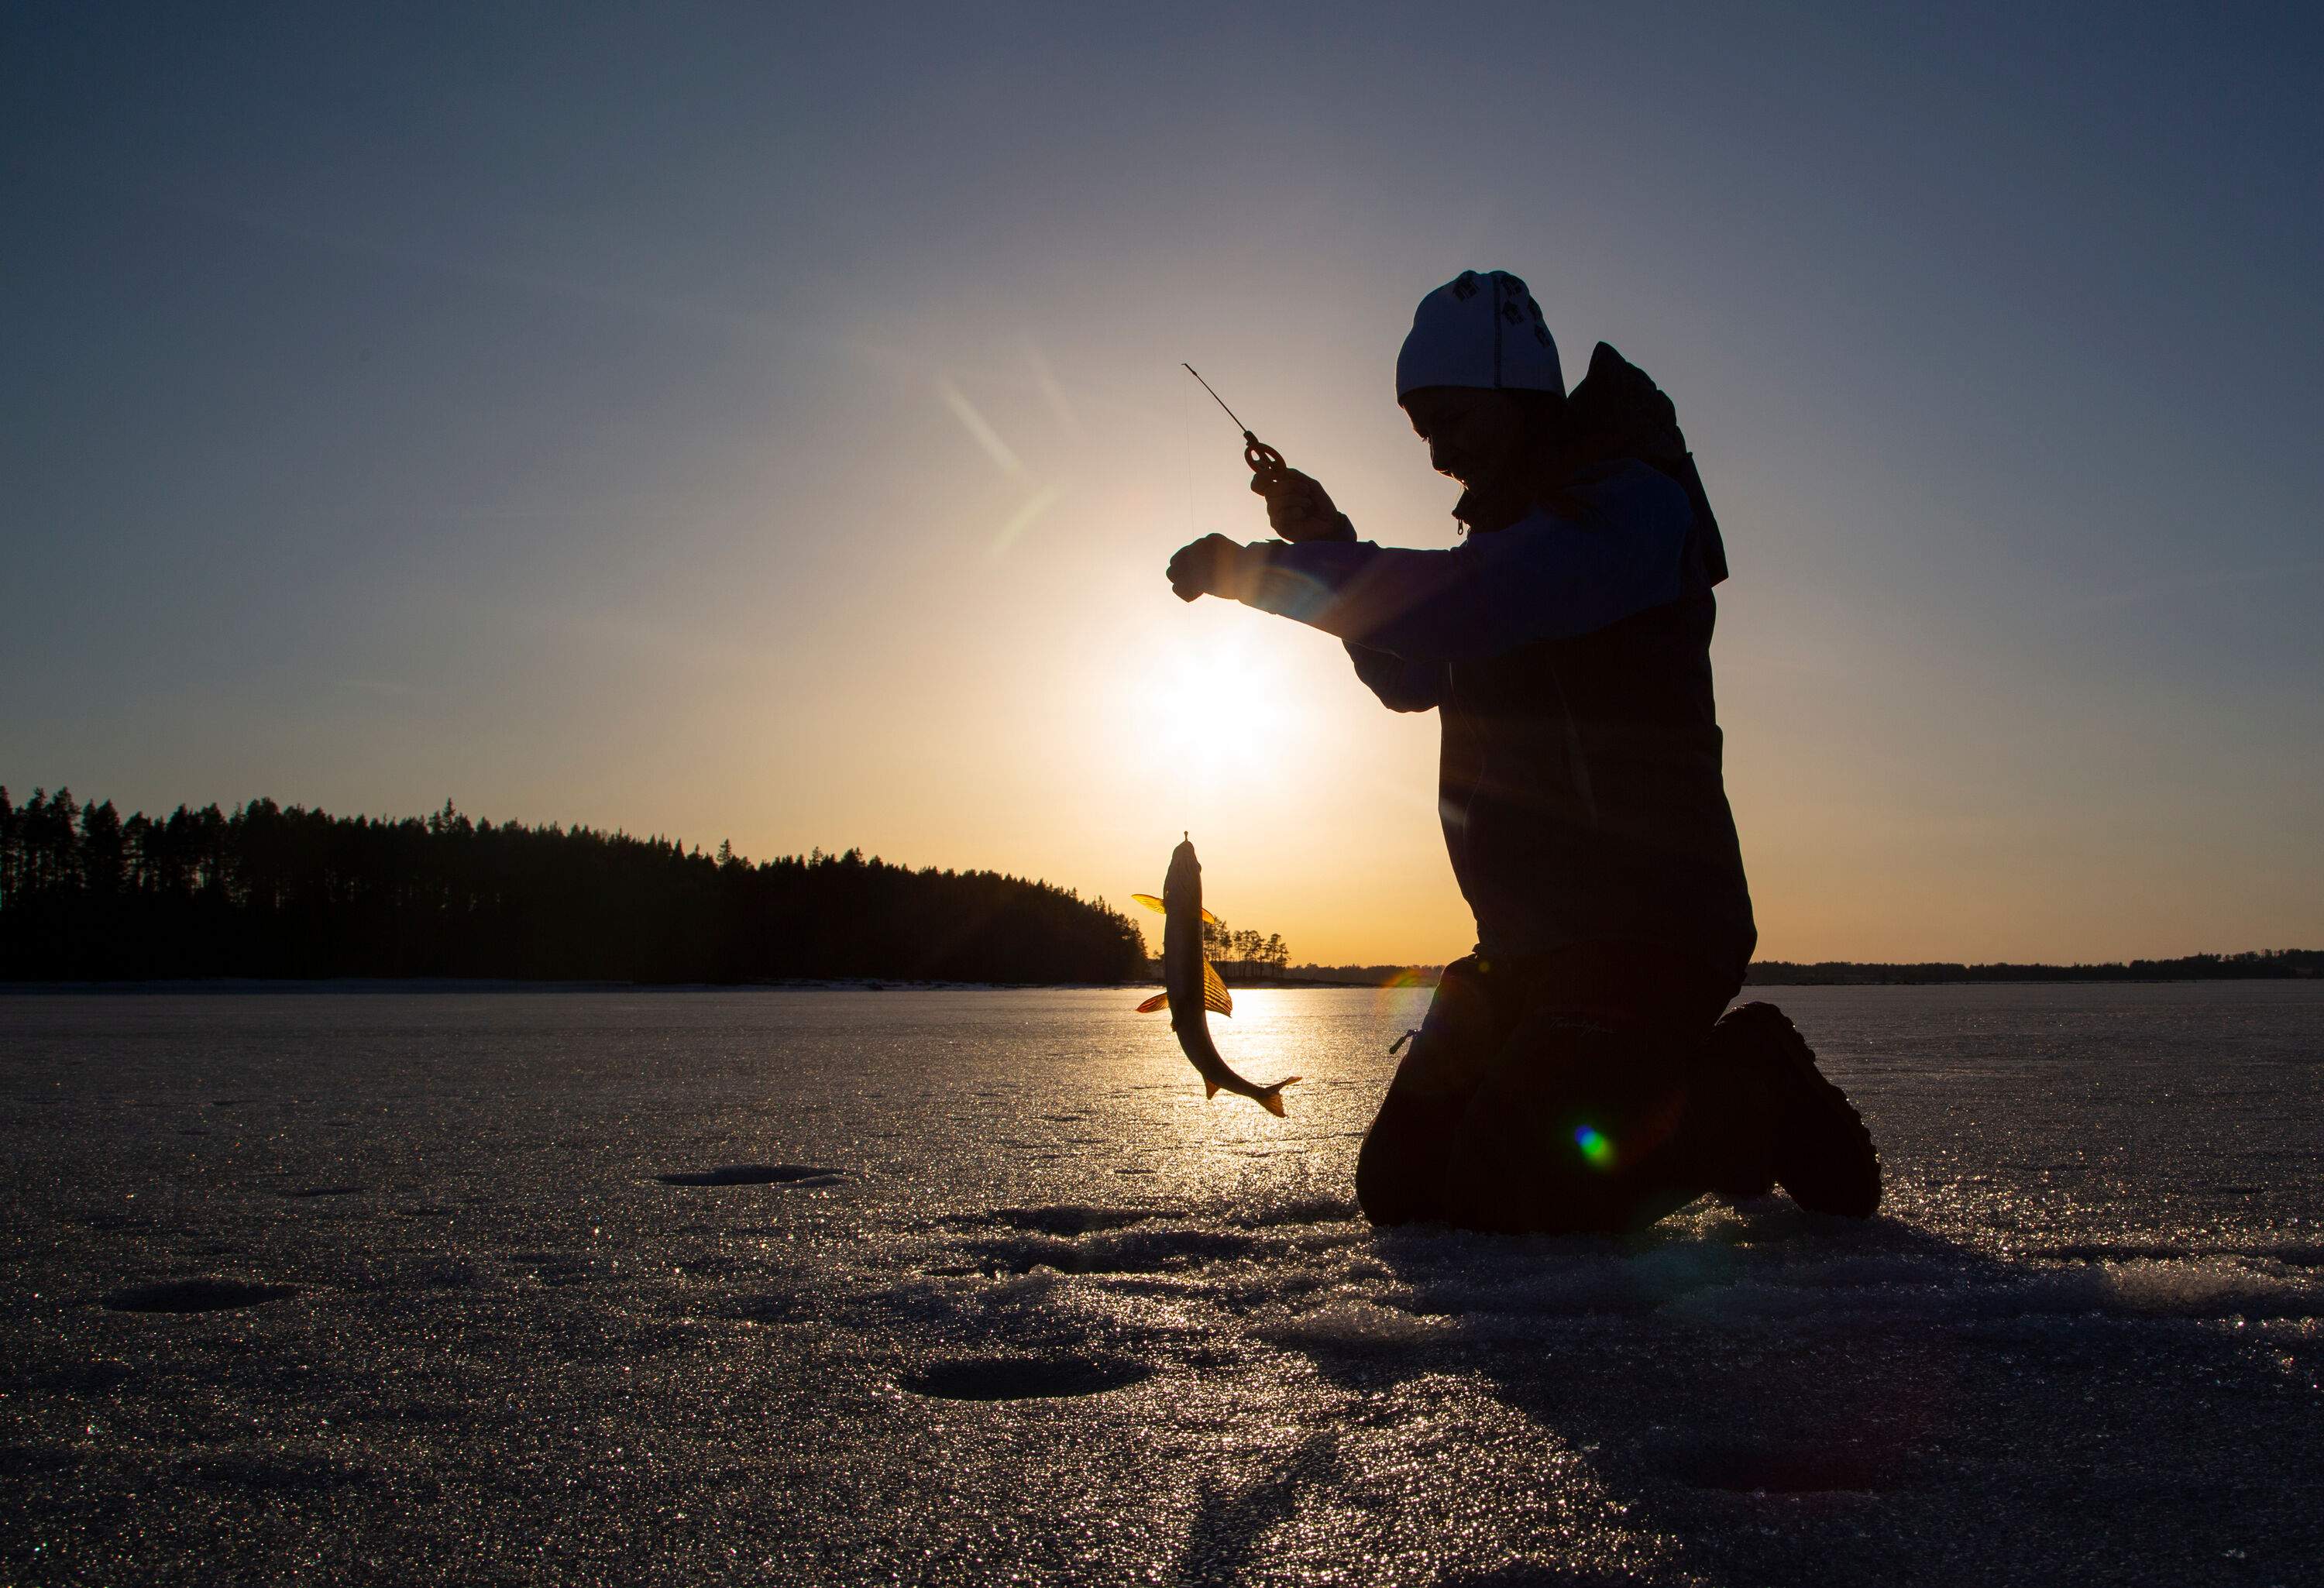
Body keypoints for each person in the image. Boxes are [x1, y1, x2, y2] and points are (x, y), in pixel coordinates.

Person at [1166, 270, 1879, 1233]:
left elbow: (1467, 603)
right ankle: (1614, 1094)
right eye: (1425, 434)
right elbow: (1412, 674)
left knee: (1530, 1192)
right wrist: (1327, 538)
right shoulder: (1512, 546)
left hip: (1648, 936)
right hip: (1524, 947)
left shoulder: (1626, 512)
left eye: (1453, 423)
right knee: (1406, 1192)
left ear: (1518, 395)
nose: (1439, 457)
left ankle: (1751, 1083)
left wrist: (1267, 570)